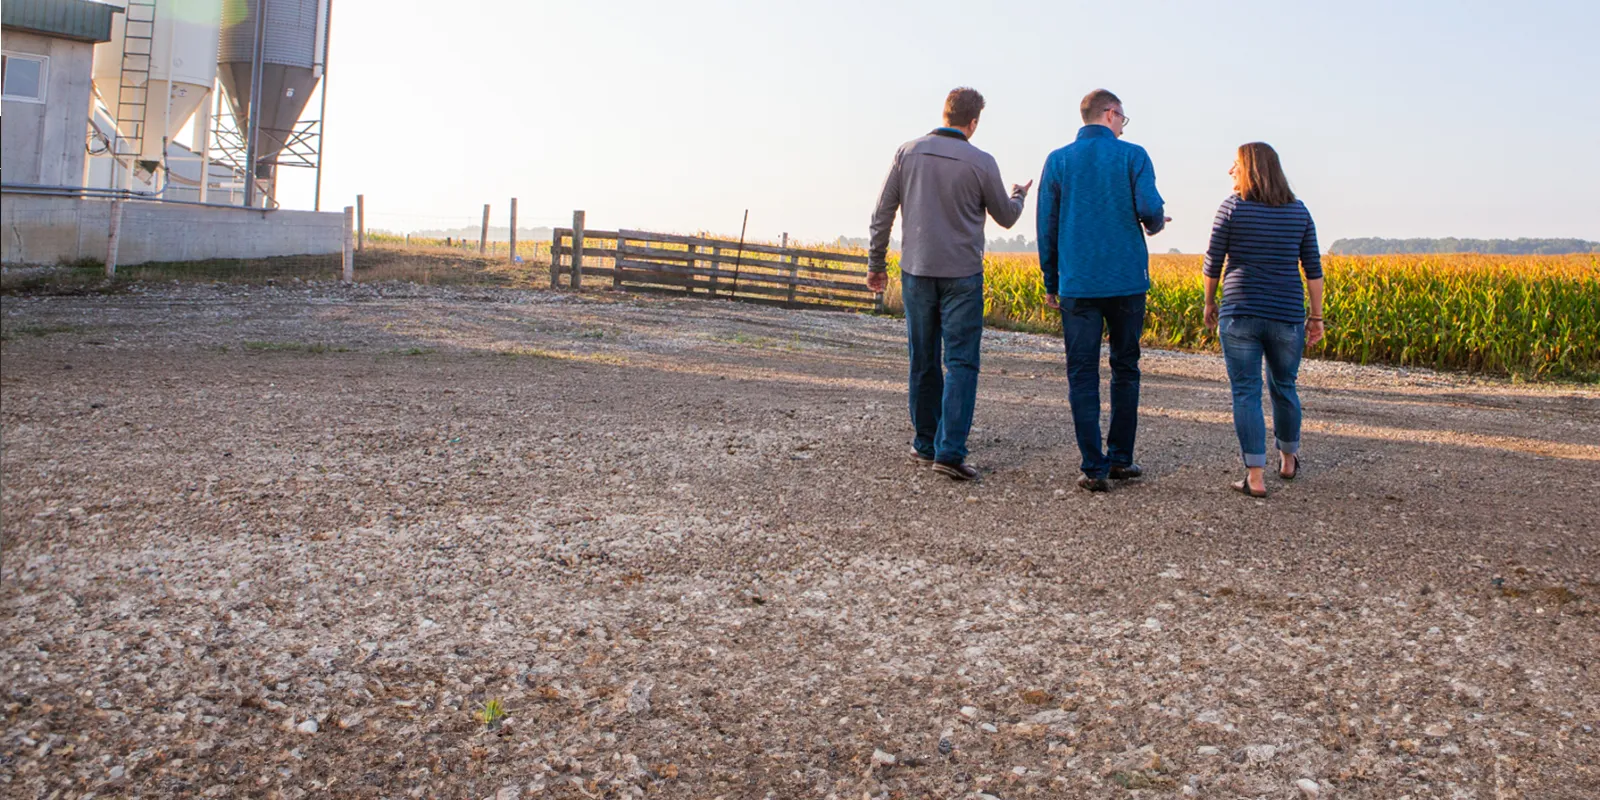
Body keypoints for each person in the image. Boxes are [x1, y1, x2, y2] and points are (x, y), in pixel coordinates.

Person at [868, 87, 1032, 481]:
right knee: (960, 361)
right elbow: (1006, 218)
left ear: (945, 114)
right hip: (962, 275)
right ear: (973, 122)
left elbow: (882, 212)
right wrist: (1018, 196)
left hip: (917, 271)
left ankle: (925, 443)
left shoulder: (907, 153)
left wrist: (876, 263)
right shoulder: (981, 161)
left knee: (922, 358)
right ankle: (950, 451)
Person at [1035, 89, 1169, 492]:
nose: (1123, 126)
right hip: (1127, 280)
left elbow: (1047, 226)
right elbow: (1149, 208)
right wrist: (1157, 223)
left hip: (1078, 282)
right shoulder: (1133, 156)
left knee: (1082, 373)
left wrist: (1050, 281)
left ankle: (1094, 466)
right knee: (1125, 367)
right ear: (1110, 114)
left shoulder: (1058, 160)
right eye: (1122, 119)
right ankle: (1121, 459)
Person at [1201, 142, 1325, 498]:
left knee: (1246, 392)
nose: (1230, 171)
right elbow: (1313, 270)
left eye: (1234, 165)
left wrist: (1210, 302)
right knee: (1284, 386)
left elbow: (1213, 262)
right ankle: (1288, 459)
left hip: (1240, 311)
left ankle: (1255, 476)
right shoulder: (1298, 212)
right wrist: (1315, 317)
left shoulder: (1232, 208)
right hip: (1286, 314)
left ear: (1250, 169)